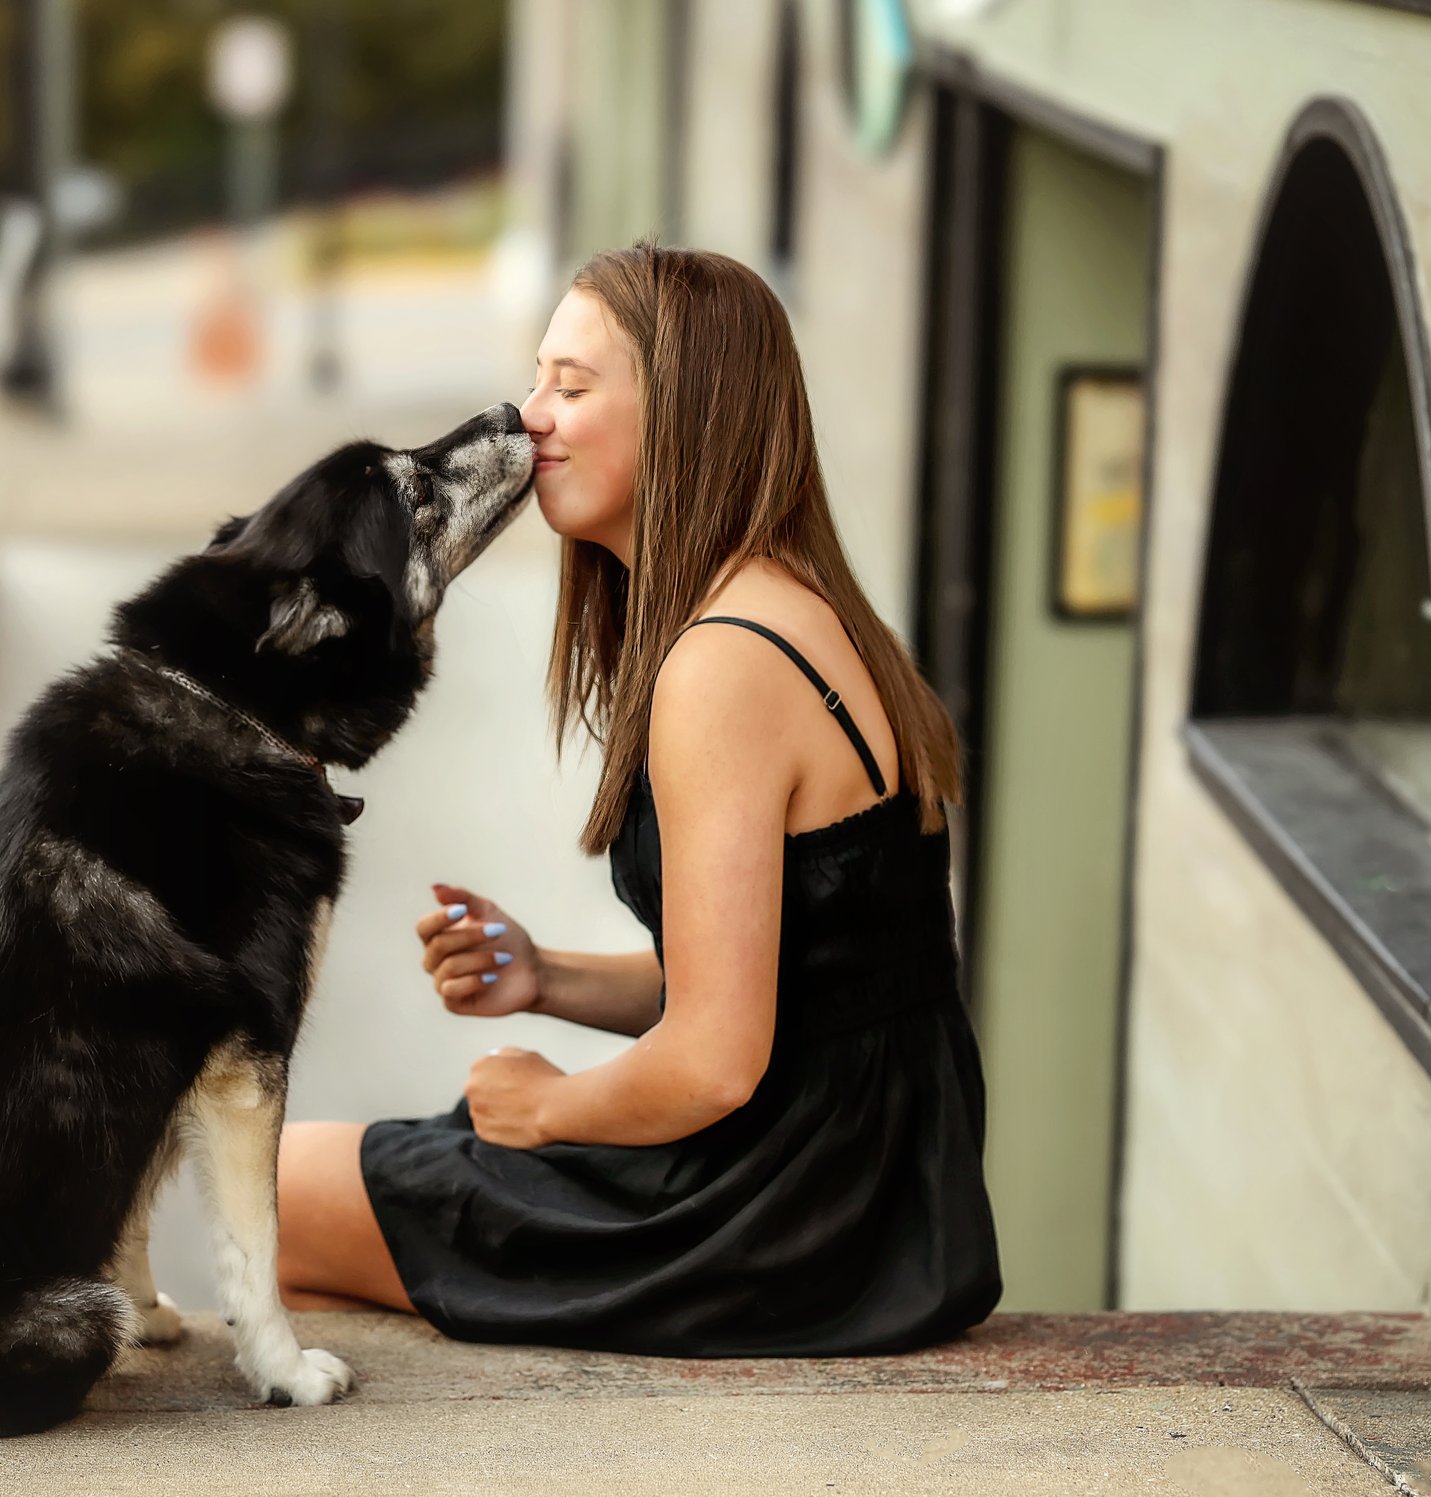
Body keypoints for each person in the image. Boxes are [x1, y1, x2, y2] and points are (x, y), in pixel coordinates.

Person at [273, 240, 1001, 1356]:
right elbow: (797, 973)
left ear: (689, 411)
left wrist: (548, 1107)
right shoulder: (796, 603)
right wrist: (547, 977)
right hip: (869, 1184)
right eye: (535, 381)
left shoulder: (723, 661)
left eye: (571, 386)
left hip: (773, 1203)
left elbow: (714, 1057)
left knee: (278, 1191)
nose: (529, 419)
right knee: (346, 1215)